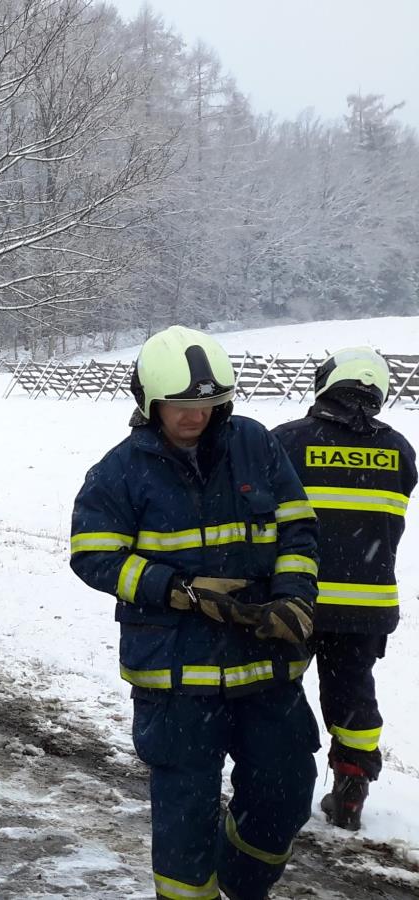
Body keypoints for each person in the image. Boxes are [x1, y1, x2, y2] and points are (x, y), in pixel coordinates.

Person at [69, 326, 320, 900]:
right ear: (149, 402)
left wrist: (292, 594)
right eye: (180, 405)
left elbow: (298, 528)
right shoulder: (119, 471)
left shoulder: (255, 445)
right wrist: (175, 588)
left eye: (206, 404)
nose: (194, 416)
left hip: (265, 665)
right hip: (176, 677)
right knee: (185, 815)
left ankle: (242, 880)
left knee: (285, 791)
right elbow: (92, 555)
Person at [271, 347, 416, 831]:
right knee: (353, 696)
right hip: (366, 608)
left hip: (297, 599)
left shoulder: (287, 441)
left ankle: (273, 781)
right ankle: (351, 792)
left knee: (276, 690)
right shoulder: (400, 450)